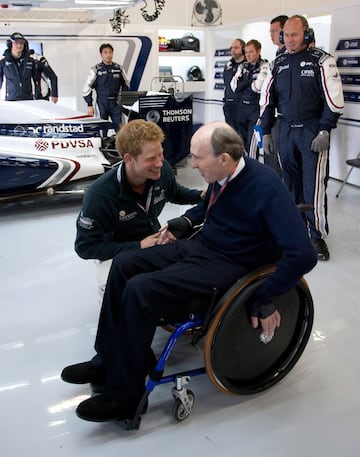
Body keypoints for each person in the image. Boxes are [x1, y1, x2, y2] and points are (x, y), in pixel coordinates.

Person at [61, 121, 317, 422]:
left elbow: (304, 255)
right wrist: (184, 221)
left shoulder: (266, 187)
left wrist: (266, 296)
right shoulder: (224, 173)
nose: (191, 164)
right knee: (124, 264)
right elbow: (208, 204)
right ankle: (108, 357)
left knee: (140, 289)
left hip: (230, 262)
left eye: (197, 158)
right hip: (203, 246)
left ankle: (125, 397)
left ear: (223, 158)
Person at [74, 119, 205, 302]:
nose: (159, 163)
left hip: (154, 241)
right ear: (128, 158)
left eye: (161, 154)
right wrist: (138, 246)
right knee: (111, 282)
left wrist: (202, 195)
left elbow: (174, 192)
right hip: (117, 251)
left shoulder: (162, 170)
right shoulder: (99, 195)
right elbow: (85, 247)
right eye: (151, 158)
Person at [260, 15, 344, 261]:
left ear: (306, 34)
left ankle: (316, 236)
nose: (289, 39)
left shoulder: (323, 61)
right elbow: (266, 99)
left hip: (312, 130)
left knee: (314, 187)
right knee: (289, 184)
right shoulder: (279, 62)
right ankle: (294, 230)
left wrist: (325, 129)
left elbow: (334, 100)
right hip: (285, 129)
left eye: (294, 34)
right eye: (285, 34)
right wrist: (265, 130)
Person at [83, 43, 129, 137]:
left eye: (110, 52)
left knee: (121, 131)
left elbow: (126, 84)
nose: (108, 55)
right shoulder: (96, 69)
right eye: (105, 52)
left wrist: (123, 100)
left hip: (116, 103)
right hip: (101, 103)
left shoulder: (119, 68)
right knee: (101, 130)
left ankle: (120, 151)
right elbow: (87, 88)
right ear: (101, 54)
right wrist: (89, 105)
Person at [261, 15, 289, 174]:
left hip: (284, 120)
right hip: (271, 117)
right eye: (270, 31)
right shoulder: (277, 58)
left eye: (274, 31)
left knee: (280, 165)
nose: (271, 34)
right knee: (270, 161)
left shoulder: (290, 58)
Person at [0, 32, 58, 102]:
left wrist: (53, 94)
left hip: (30, 99)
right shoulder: (3, 61)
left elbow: (38, 79)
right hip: (11, 100)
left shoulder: (32, 60)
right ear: (10, 44)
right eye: (16, 43)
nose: (19, 45)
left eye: (21, 43)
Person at [235, 39, 269, 153]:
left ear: (258, 51)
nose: (248, 55)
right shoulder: (242, 66)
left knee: (254, 143)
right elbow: (234, 86)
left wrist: (244, 84)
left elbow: (258, 87)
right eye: (246, 52)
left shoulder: (265, 65)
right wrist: (249, 82)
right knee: (242, 143)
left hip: (256, 110)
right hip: (242, 109)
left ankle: (253, 168)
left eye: (251, 52)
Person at [222, 38, 246, 133]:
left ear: (243, 49)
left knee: (242, 135)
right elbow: (226, 83)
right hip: (229, 106)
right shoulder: (228, 65)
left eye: (236, 47)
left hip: (242, 107)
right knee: (230, 135)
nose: (233, 50)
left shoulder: (247, 66)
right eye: (231, 48)